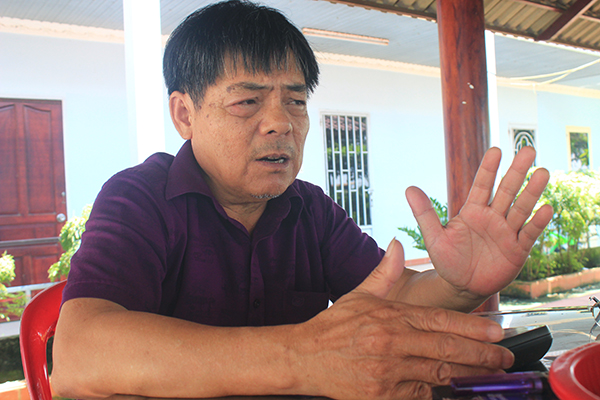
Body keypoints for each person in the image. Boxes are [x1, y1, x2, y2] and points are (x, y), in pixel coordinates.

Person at [51, 1, 553, 399]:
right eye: (247, 101)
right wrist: (303, 355)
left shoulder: (310, 209)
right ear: (185, 114)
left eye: (295, 101)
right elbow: (79, 356)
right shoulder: (140, 197)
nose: (281, 123)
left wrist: (457, 283)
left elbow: (393, 299)